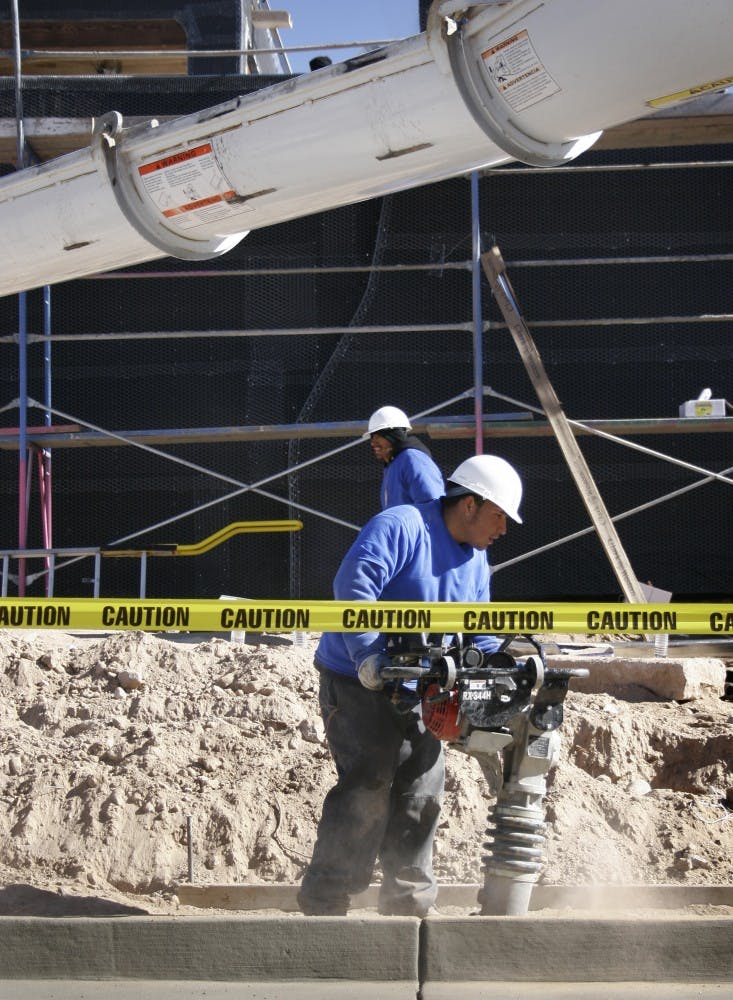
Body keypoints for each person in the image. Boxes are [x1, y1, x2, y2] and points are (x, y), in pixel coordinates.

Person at [297, 453, 523, 917]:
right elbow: (354, 584)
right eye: (499, 515)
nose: (502, 528)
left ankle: (408, 903)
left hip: (426, 683)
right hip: (358, 680)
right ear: (469, 505)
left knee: (423, 786)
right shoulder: (403, 526)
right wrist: (368, 656)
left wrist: (499, 671)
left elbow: (477, 629)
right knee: (368, 782)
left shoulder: (476, 562)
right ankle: (326, 899)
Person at [367, 405, 444, 509]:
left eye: (378, 436)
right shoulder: (392, 465)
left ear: (393, 435)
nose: (372, 443)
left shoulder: (413, 458)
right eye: (372, 437)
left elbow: (432, 503)